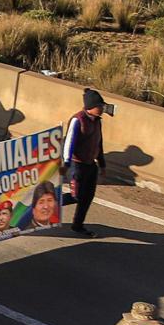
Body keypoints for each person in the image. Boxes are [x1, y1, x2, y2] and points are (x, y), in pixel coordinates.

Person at [64, 89, 108, 236]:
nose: (102, 108)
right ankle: (44, 204)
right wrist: (66, 163)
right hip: (77, 165)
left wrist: (101, 164)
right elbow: (68, 142)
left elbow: (99, 143)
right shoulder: (78, 120)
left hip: (90, 165)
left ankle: (77, 225)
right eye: (99, 106)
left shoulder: (97, 122)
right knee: (75, 196)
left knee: (87, 197)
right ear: (91, 106)